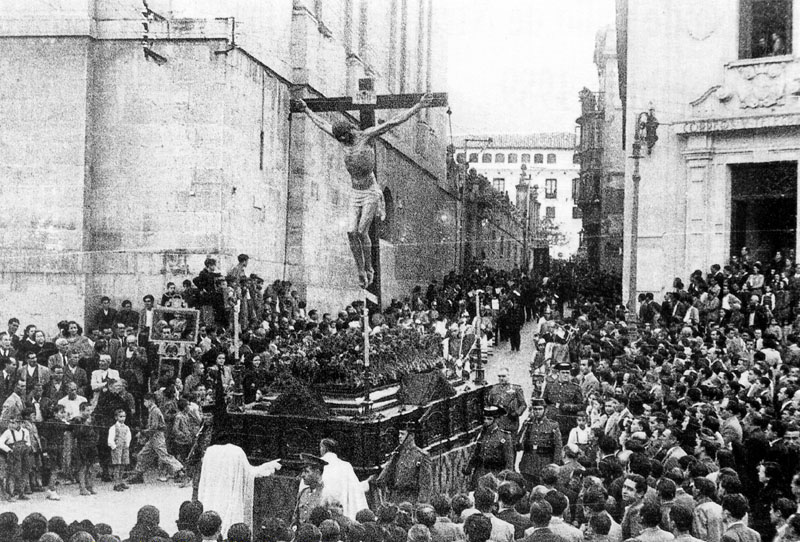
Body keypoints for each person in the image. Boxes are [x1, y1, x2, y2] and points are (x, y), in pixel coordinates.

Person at [295, 93, 434, 287]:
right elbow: (321, 123)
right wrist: (307, 110)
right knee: (351, 231)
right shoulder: (342, 140)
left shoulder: (366, 136)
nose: (345, 141)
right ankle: (360, 270)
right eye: (341, 139)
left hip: (370, 192)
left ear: (351, 133)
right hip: (355, 192)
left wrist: (418, 107)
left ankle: (369, 268)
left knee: (361, 231)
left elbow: (393, 122)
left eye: (346, 138)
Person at [197, 444, 281, 533]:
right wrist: (268, 466)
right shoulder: (237, 453)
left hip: (212, 496)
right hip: (230, 497)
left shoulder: (211, 452)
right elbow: (250, 473)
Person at [126, 393, 186, 485]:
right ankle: (139, 475)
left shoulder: (155, 411)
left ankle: (180, 470)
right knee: (142, 455)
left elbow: (154, 426)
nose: (144, 403)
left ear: (151, 400)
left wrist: (143, 432)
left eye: (145, 401)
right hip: (153, 437)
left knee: (164, 456)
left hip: (157, 436)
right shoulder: (153, 410)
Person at [375, 421, 433, 504]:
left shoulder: (421, 456)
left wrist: (420, 506)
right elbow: (382, 479)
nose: (399, 436)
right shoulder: (397, 454)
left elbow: (425, 486)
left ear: (411, 436)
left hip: (411, 500)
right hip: (395, 499)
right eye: (399, 434)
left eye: (402, 434)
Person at [463, 406, 515, 488]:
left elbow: (509, 460)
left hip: (495, 474)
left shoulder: (504, 436)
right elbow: (476, 453)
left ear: (496, 420)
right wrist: (469, 467)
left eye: (489, 419)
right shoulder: (482, 433)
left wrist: (505, 479)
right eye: (485, 418)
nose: (486, 421)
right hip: (480, 472)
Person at [518, 397, 563, 488]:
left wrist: (555, 465)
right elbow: (519, 441)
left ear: (545, 410)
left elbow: (558, 446)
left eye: (540, 409)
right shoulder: (528, 423)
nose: (537, 411)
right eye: (535, 409)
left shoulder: (552, 425)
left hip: (544, 461)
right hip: (528, 462)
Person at [486, 367, 527, 433]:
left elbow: (523, 405)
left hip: (510, 422)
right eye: (499, 376)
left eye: (503, 376)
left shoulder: (516, 389)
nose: (501, 378)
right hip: (497, 422)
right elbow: (489, 403)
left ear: (508, 376)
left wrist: (516, 413)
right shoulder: (493, 389)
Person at [0, 415, 31, 500]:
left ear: (20, 423)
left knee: (24, 472)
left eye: (14, 423)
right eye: (10, 422)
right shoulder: (8, 432)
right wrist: (9, 450)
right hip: (13, 455)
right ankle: (11, 493)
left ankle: (21, 493)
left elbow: (28, 442)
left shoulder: (25, 431)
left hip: (24, 454)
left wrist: (26, 447)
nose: (11, 425)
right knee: (13, 473)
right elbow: (0, 443)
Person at [294, 453, 328, 527]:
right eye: (302, 471)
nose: (302, 475)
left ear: (317, 472)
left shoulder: (327, 494)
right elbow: (295, 520)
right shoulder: (303, 493)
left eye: (306, 471)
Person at [107, 408, 131, 491]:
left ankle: (121, 481)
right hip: (117, 448)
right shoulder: (113, 428)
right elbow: (110, 439)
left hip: (124, 448)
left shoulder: (126, 427)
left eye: (124, 416)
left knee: (123, 465)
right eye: (120, 416)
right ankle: (116, 483)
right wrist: (114, 447)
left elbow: (128, 436)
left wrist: (127, 444)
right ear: (116, 417)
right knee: (117, 465)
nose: (123, 418)